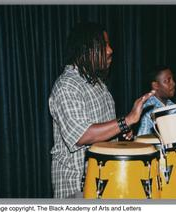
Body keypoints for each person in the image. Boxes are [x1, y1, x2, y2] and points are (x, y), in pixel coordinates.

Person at [48, 22, 154, 198]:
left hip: (102, 182)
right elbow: (82, 135)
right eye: (103, 45)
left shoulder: (98, 84)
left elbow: (103, 132)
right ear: (86, 49)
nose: (110, 50)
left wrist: (121, 132)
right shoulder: (67, 85)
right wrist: (126, 121)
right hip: (77, 188)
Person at [137, 66, 176, 136]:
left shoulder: (172, 105)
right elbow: (142, 143)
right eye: (168, 81)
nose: (173, 83)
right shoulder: (148, 110)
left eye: (173, 79)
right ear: (155, 85)